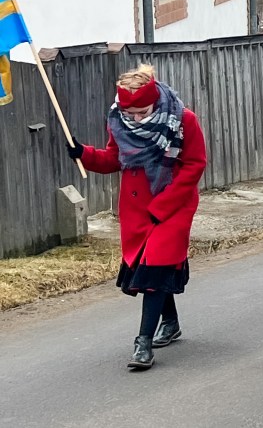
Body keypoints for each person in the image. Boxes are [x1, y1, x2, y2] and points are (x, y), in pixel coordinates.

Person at [68, 64, 207, 370]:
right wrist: (83, 153)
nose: (136, 119)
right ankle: (169, 322)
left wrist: (163, 207)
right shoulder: (118, 120)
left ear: (155, 99)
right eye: (131, 114)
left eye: (142, 112)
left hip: (173, 204)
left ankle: (142, 343)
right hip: (136, 208)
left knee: (156, 264)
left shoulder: (183, 120)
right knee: (150, 268)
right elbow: (113, 159)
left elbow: (195, 164)